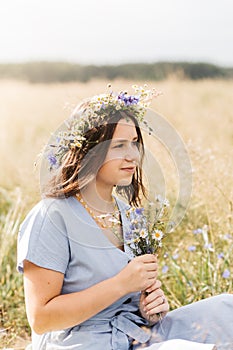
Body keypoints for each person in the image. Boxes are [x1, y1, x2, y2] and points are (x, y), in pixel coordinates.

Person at [17, 86, 233, 350]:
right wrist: (121, 285)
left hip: (135, 335)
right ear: (88, 151)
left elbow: (130, 298)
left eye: (134, 143)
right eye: (119, 145)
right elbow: (41, 319)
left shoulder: (129, 216)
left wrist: (148, 308)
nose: (133, 155)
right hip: (84, 343)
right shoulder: (52, 217)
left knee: (226, 310)